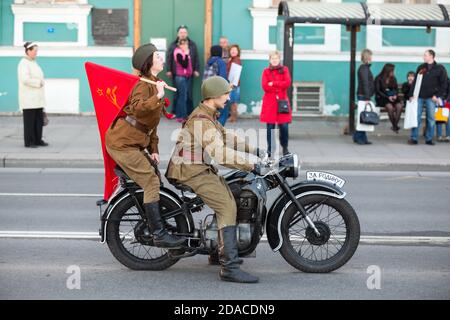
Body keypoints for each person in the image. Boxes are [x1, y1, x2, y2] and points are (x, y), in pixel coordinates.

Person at [166, 76, 268, 283]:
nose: (229, 98)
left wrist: (255, 150)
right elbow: (221, 155)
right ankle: (229, 267)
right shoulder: (202, 121)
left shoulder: (208, 115)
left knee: (233, 191)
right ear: (213, 96)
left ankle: (216, 249)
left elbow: (228, 138)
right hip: (191, 171)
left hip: (197, 167)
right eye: (226, 94)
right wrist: (252, 165)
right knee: (227, 207)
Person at [105, 43, 185, 248]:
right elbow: (138, 110)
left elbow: (151, 124)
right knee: (150, 181)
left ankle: (156, 220)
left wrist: (154, 150)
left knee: (156, 180)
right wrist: (158, 96)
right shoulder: (143, 85)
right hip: (122, 143)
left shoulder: (154, 83)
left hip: (136, 141)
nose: (161, 58)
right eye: (157, 56)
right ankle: (158, 232)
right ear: (149, 62)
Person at [408, 49, 448, 145]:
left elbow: (444, 84)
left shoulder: (440, 68)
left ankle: (429, 139)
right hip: (419, 96)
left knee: (431, 118)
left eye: (425, 55)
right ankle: (414, 138)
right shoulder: (421, 67)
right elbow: (415, 82)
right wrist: (411, 95)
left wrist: (437, 96)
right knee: (416, 117)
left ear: (431, 56)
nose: (424, 57)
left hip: (431, 97)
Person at [260, 51, 292, 157]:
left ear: (279, 59)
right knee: (270, 127)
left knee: (284, 126)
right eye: (272, 58)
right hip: (270, 102)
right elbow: (265, 86)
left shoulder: (285, 70)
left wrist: (273, 83)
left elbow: (287, 83)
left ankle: (285, 147)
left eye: (276, 58)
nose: (274, 60)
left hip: (282, 101)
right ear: (269, 60)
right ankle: (270, 149)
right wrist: (279, 86)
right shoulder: (265, 71)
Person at [18, 42, 48, 148]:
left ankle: (37, 140)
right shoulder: (23, 63)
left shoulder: (33, 62)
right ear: (28, 51)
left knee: (38, 121)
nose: (36, 53)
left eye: (37, 51)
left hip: (37, 98)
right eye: (35, 51)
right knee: (29, 122)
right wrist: (38, 82)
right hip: (29, 99)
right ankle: (29, 141)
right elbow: (25, 79)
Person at [166, 25, 200, 117]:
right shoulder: (173, 45)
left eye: (184, 32)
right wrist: (169, 70)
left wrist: (196, 69)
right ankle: (176, 112)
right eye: (181, 32)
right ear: (178, 34)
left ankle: (189, 113)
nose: (183, 34)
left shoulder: (192, 44)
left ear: (187, 33)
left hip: (190, 74)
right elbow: (169, 58)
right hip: (177, 74)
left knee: (188, 94)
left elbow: (196, 58)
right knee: (177, 93)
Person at [203, 45, 229, 126]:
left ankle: (210, 127)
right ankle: (218, 129)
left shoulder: (208, 62)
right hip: (217, 90)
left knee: (212, 111)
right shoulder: (220, 62)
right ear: (221, 53)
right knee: (224, 109)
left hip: (207, 90)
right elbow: (222, 77)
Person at [353, 49, 375, 145]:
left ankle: (360, 137)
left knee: (364, 117)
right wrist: (367, 97)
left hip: (363, 95)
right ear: (368, 57)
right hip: (363, 96)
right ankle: (359, 137)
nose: (372, 58)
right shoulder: (364, 69)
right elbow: (365, 83)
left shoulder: (365, 68)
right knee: (363, 117)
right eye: (371, 56)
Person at [375, 63, 402, 133]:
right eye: (392, 71)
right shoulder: (378, 78)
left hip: (392, 97)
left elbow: (396, 89)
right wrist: (388, 97)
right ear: (387, 71)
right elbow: (378, 91)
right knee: (390, 107)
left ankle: (394, 125)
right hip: (382, 98)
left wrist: (395, 95)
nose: (393, 72)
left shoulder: (393, 78)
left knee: (399, 106)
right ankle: (395, 126)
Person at [173, 39, 193, 122]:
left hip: (185, 77)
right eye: (183, 44)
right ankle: (182, 116)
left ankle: (180, 115)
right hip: (180, 77)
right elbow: (184, 64)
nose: (185, 46)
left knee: (182, 96)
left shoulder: (183, 53)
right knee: (182, 97)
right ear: (179, 45)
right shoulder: (178, 53)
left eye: (186, 44)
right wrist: (187, 54)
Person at [227, 44, 242, 123]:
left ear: (238, 52)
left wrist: (232, 84)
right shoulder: (231, 59)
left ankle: (234, 117)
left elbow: (235, 74)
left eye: (235, 50)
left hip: (234, 84)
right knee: (232, 101)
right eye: (231, 50)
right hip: (232, 83)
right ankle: (232, 117)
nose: (233, 51)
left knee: (234, 102)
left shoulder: (236, 60)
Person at [436, 77, 450, 142]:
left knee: (448, 118)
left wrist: (446, 100)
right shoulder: (436, 80)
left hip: (447, 101)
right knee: (439, 117)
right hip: (438, 100)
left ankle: (448, 135)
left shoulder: (448, 81)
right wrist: (438, 99)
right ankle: (439, 135)